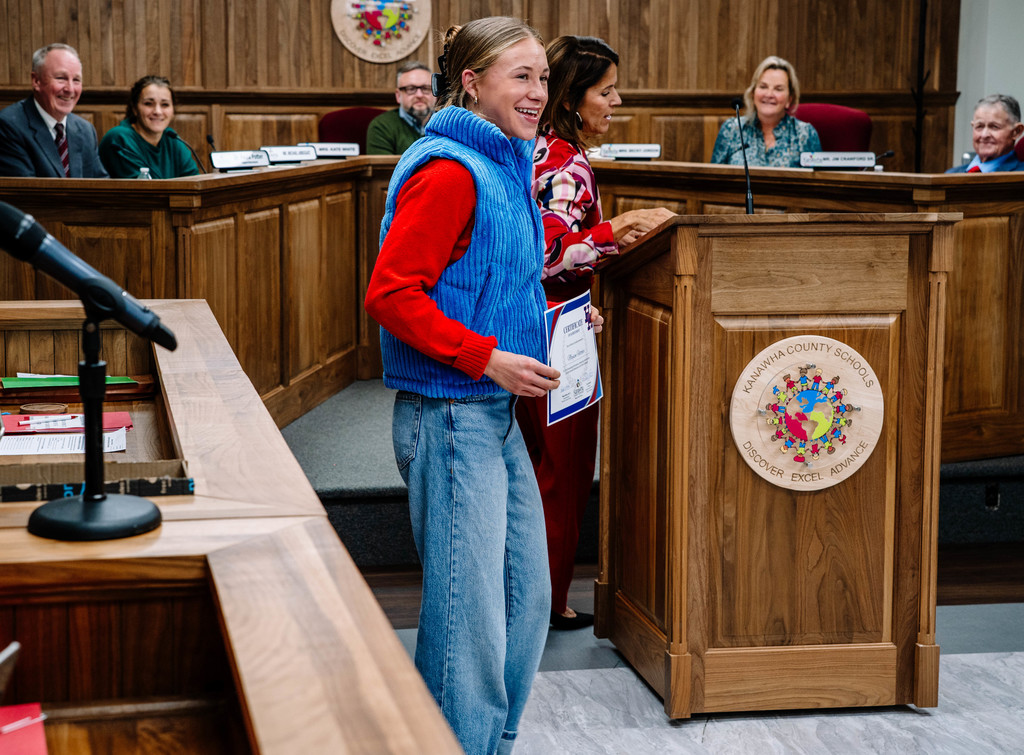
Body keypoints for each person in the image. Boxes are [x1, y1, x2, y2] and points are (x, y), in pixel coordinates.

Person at [364, 17, 583, 754]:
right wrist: (487, 356)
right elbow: (393, 294)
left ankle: (489, 741)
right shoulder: (450, 169)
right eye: (519, 76)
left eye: (543, 78)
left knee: (525, 600)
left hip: (490, 413)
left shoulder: (504, 161)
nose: (537, 91)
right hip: (449, 414)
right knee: (469, 616)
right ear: (473, 82)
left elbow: (494, 277)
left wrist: (563, 331)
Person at [517, 36, 674, 631]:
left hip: (540, 322)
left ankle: (534, 596)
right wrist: (617, 233)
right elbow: (549, 254)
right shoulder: (566, 163)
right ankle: (546, 603)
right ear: (573, 98)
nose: (616, 100)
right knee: (560, 474)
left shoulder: (536, 150)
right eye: (605, 91)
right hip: (553, 332)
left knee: (537, 468)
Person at [0, 43, 108, 178]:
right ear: (36, 81)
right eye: (61, 78)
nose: (70, 89)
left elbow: (101, 186)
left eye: (76, 80)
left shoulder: (85, 130)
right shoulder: (9, 125)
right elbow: (24, 193)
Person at [711, 55, 821, 168]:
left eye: (778, 89)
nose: (769, 95)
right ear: (753, 93)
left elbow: (816, 183)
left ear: (789, 99)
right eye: (763, 87)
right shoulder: (732, 130)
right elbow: (712, 181)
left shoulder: (805, 134)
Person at [98, 75, 201, 178]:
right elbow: (145, 190)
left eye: (165, 104)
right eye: (148, 104)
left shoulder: (173, 140)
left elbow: (194, 182)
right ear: (134, 108)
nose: (157, 111)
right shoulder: (119, 138)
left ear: (173, 110)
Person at [366, 61, 437, 155]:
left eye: (426, 88)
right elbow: (383, 169)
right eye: (411, 89)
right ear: (398, 95)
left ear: (435, 93)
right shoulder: (381, 126)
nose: (419, 95)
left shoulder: (447, 124)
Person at [946, 94, 1024, 173]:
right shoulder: (950, 174)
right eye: (979, 126)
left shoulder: (1020, 176)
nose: (984, 135)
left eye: (994, 127)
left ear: (1016, 131)